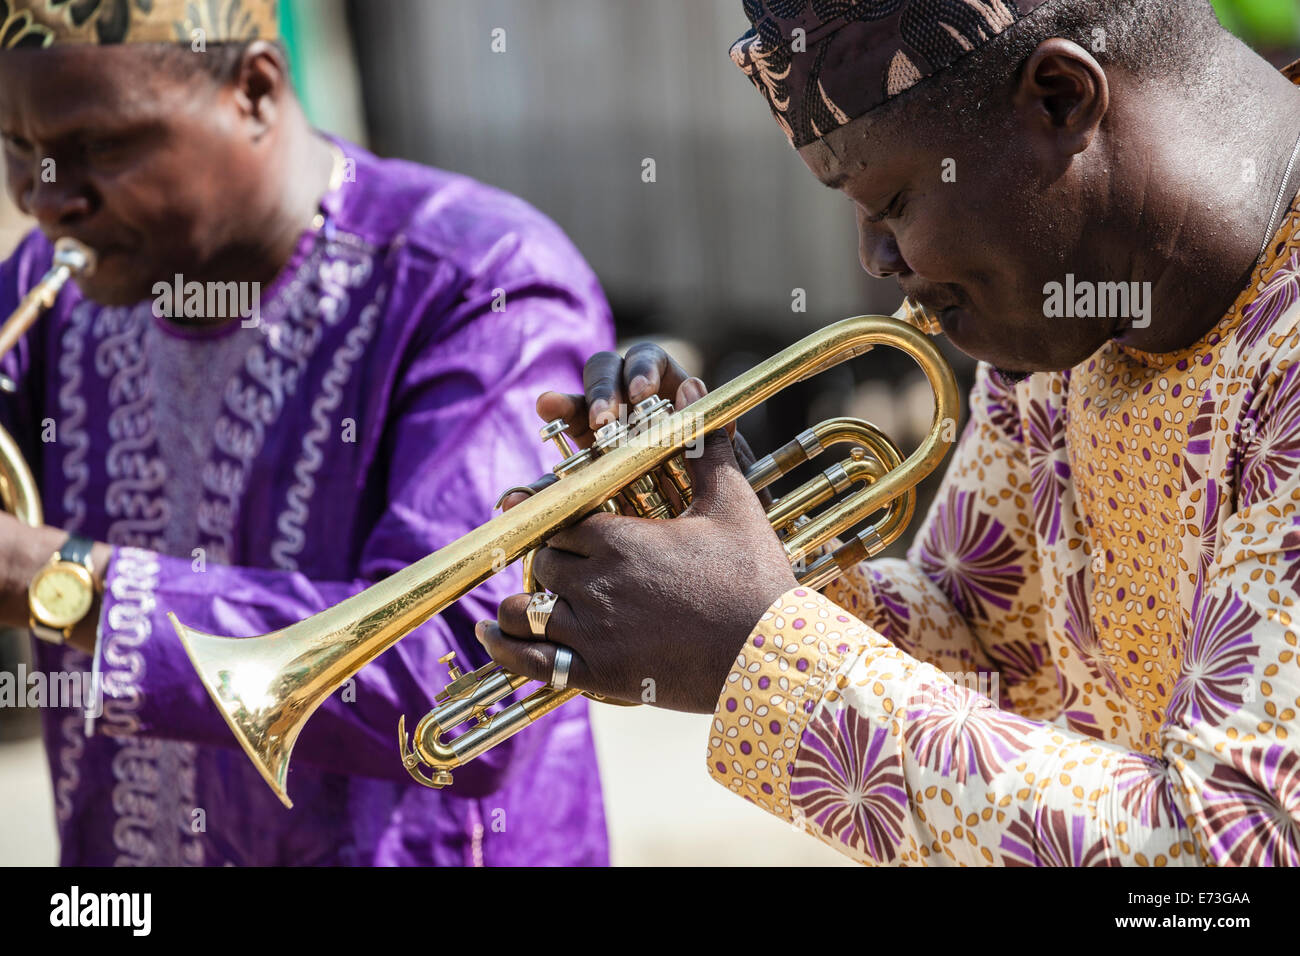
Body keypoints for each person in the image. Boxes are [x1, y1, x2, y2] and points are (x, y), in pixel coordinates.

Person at [484, 0, 1300, 865]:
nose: (875, 258)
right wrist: (717, 550)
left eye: (894, 200)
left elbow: (1235, 854)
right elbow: (993, 647)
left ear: (1062, 99)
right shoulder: (1084, 311)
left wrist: (756, 652)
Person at [0, 0, 611, 866]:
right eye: (19, 149)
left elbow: (467, 680)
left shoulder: (483, 284)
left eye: (100, 146)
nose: (46, 198)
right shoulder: (48, 285)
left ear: (252, 88)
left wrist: (64, 585)